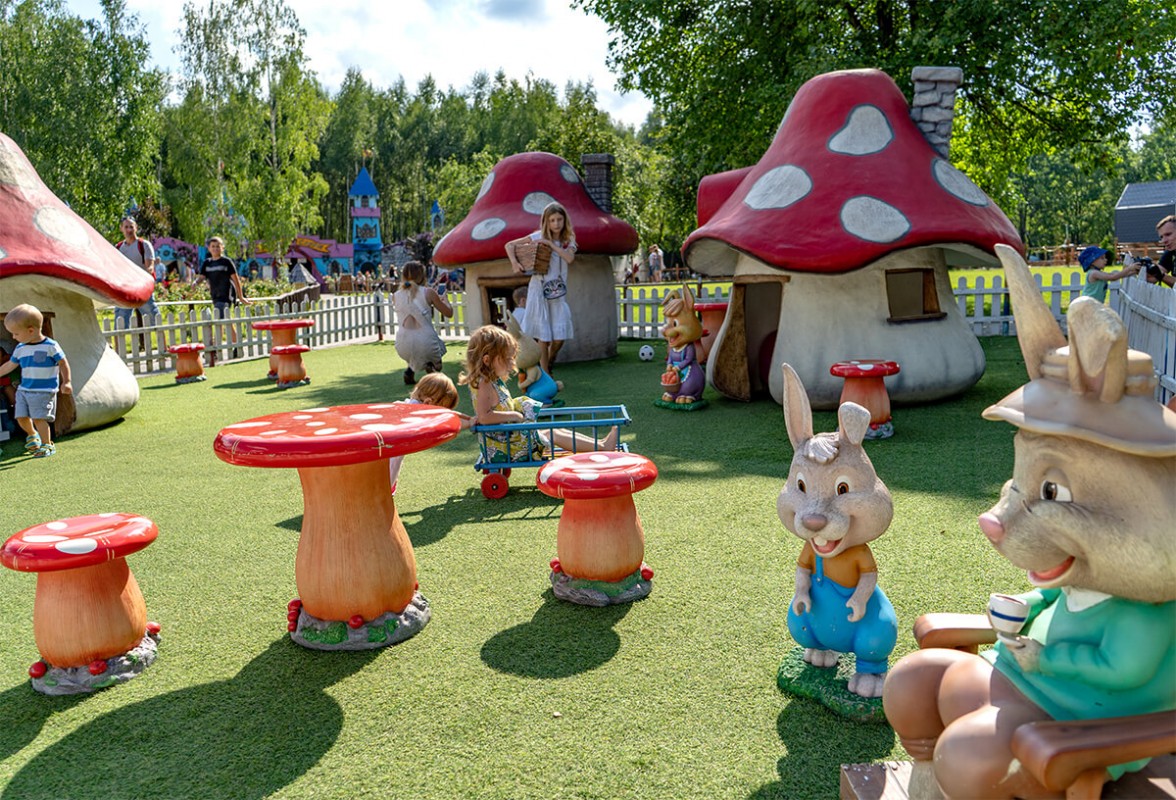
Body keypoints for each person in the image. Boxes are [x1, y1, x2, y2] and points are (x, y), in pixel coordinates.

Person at [459, 326, 617, 464]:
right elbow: (484, 417)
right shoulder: (485, 383)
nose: (513, 364)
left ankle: (599, 444)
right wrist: (514, 415)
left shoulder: (491, 381)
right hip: (507, 448)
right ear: (487, 360)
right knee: (553, 433)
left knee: (554, 431)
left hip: (509, 441)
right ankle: (602, 447)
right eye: (507, 359)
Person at [506, 201, 576, 375]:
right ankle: (546, 374)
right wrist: (515, 263)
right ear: (546, 221)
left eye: (559, 219)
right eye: (552, 220)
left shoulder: (568, 240)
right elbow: (509, 245)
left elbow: (569, 259)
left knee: (559, 337)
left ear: (564, 220)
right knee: (543, 336)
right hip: (539, 289)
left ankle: (550, 360)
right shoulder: (537, 236)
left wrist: (551, 245)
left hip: (557, 292)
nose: (556, 224)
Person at [0, 304, 71, 458]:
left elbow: (63, 363)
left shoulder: (51, 346)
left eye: (16, 333)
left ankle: (47, 444)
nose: (13, 337)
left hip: (44, 391)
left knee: (39, 418)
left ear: (31, 331)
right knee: (20, 416)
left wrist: (67, 382)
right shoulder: (20, 348)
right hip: (24, 390)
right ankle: (32, 434)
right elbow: (10, 365)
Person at [387, 372, 472, 494]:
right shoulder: (419, 415)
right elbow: (448, 423)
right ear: (427, 403)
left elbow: (450, 415)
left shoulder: (404, 406)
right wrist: (470, 423)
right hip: (386, 466)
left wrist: (469, 418)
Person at [393, 260, 453, 384]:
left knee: (413, 347)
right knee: (436, 357)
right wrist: (445, 300)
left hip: (402, 344)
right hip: (427, 342)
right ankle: (432, 366)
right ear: (422, 276)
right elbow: (448, 313)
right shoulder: (428, 292)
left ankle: (411, 370)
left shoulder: (396, 295)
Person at [113, 217, 160, 328]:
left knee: (153, 319)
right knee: (120, 322)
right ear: (121, 229)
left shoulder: (144, 245)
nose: (129, 230)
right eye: (126, 227)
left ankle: (162, 339)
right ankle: (118, 340)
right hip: (125, 289)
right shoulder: (118, 248)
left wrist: (140, 281)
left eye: (131, 227)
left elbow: (150, 267)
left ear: (136, 228)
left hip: (142, 288)